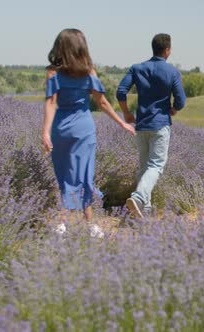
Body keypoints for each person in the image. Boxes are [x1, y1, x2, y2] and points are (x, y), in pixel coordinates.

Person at [42, 28, 136, 233]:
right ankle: (91, 225)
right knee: (85, 175)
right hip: (84, 129)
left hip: (61, 129)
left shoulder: (53, 72)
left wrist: (46, 132)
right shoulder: (89, 71)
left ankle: (63, 223)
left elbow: (51, 103)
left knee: (65, 175)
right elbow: (102, 102)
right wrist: (122, 123)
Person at [116, 33, 186, 218]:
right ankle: (138, 197)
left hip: (142, 124)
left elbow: (121, 91)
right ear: (167, 50)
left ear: (153, 48)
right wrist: (174, 110)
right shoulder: (172, 71)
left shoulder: (137, 68)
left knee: (144, 166)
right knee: (156, 165)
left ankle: (143, 212)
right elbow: (181, 100)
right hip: (160, 124)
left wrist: (126, 113)